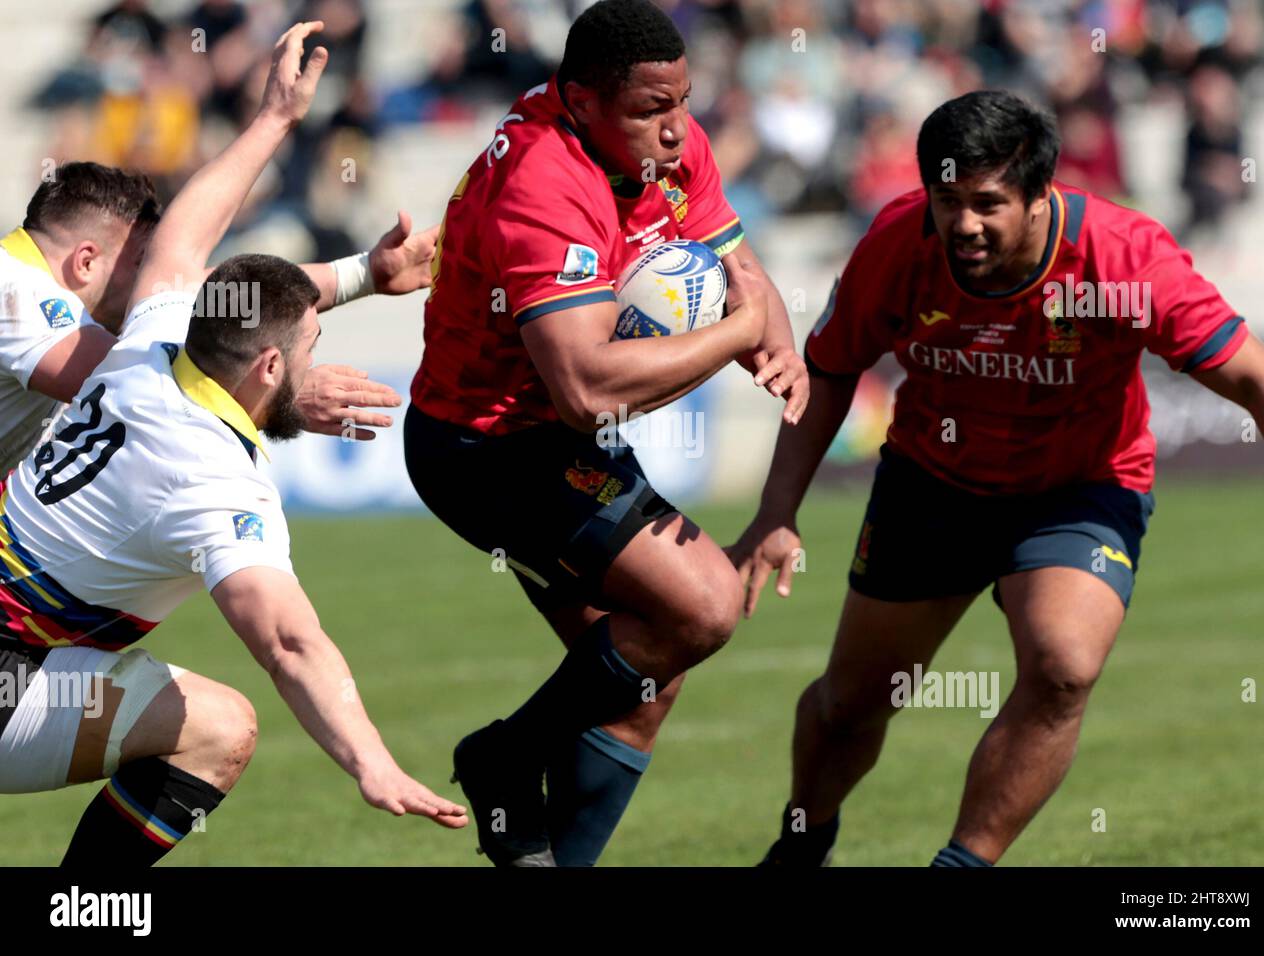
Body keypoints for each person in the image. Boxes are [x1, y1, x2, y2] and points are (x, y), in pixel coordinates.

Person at [732, 89, 1264, 866]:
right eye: (947, 200)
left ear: (1042, 196)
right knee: (852, 704)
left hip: (1081, 488)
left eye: (988, 203)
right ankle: (803, 840)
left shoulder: (1125, 259)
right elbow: (829, 370)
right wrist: (776, 511)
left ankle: (962, 864)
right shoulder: (900, 244)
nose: (962, 224)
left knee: (1064, 668)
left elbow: (1259, 381)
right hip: (931, 482)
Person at [0, 21, 466, 866]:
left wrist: (276, 118)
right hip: (7, 667)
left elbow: (184, 243)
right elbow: (289, 643)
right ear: (270, 368)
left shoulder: (152, 340)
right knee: (222, 730)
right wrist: (374, 764)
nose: (318, 372)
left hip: (24, 632)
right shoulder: (215, 484)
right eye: (308, 357)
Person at [404, 0, 809, 866]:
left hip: (549, 442)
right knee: (700, 604)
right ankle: (504, 759)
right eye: (651, 110)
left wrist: (777, 346)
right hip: (484, 449)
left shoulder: (667, 142)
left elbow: (742, 271)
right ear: (581, 99)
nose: (676, 129)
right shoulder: (544, 184)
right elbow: (588, 390)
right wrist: (739, 335)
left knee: (644, 677)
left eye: (684, 103)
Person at [0, 159, 441, 474]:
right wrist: (271, 392)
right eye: (140, 267)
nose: (149, 285)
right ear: (86, 262)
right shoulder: (14, 291)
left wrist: (362, 274)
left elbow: (205, 295)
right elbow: (129, 387)